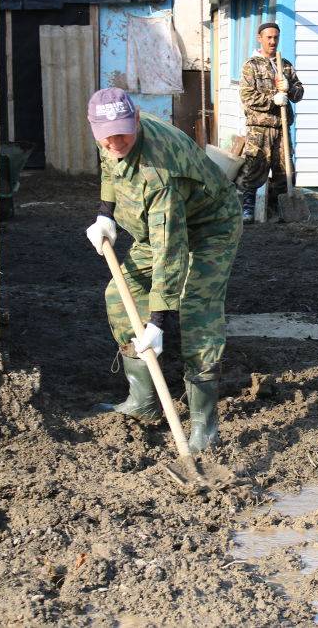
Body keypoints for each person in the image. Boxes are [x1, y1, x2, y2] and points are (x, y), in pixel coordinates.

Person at [84, 87, 242, 454]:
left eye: (123, 132)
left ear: (137, 119)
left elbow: (170, 251)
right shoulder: (109, 134)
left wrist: (158, 320)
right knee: (120, 299)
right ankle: (143, 402)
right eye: (106, 136)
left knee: (197, 310)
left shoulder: (158, 173)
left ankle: (204, 427)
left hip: (208, 227)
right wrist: (105, 214)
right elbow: (110, 169)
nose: (114, 142)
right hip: (157, 227)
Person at [237, 22, 305, 222]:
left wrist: (290, 88)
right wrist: (272, 99)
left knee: (285, 171)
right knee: (255, 166)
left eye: (275, 37)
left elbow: (299, 92)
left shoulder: (284, 65)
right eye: (268, 38)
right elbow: (247, 96)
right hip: (260, 128)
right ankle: (248, 209)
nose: (273, 41)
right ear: (260, 38)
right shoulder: (251, 66)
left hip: (282, 128)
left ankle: (277, 211)